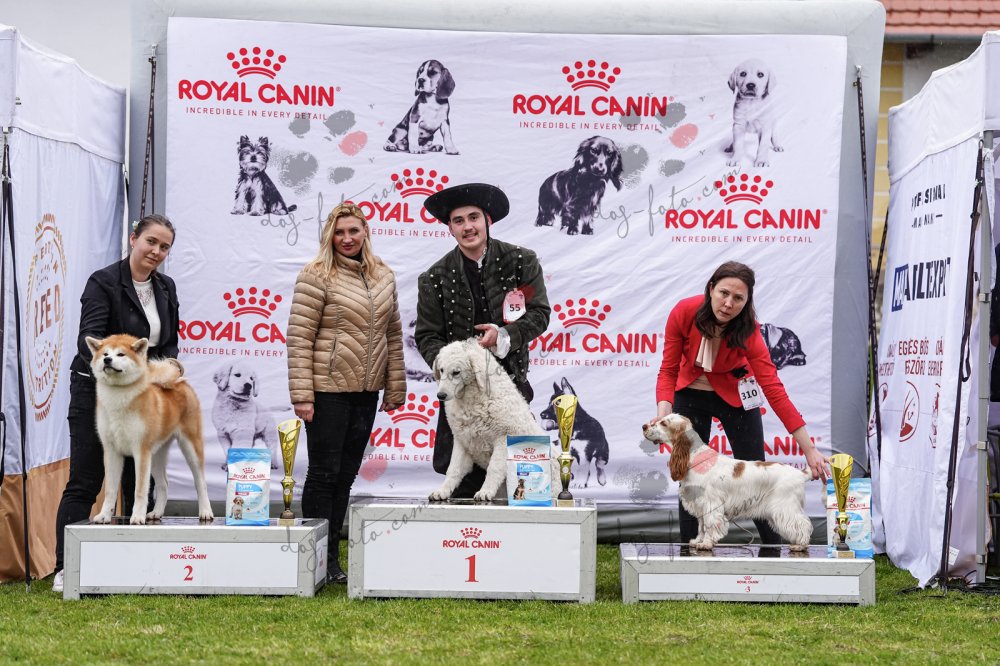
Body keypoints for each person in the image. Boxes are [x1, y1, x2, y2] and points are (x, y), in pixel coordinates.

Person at [652, 261, 828, 546]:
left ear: (747, 302)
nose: (728, 303)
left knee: (758, 477)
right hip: (690, 392)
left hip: (736, 395)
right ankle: (689, 552)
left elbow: (775, 391)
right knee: (690, 476)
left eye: (738, 298)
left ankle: (773, 550)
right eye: (723, 293)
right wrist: (663, 416)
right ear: (711, 288)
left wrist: (809, 449)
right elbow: (668, 369)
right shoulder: (683, 312)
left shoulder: (750, 332)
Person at [52, 214, 180, 592]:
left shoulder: (166, 287)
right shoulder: (103, 282)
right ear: (133, 238)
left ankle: (139, 566)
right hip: (97, 393)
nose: (156, 251)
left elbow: (168, 343)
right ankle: (66, 567)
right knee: (86, 480)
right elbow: (89, 340)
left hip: (144, 398)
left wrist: (170, 368)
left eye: (165, 247)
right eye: (151, 242)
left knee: (141, 478)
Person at [286, 202, 405, 584]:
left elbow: (393, 335)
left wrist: (395, 385)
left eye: (354, 230)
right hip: (326, 390)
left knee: (346, 476)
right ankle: (314, 559)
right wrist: (303, 395)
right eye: (339, 232)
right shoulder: (315, 275)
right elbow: (299, 338)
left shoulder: (384, 275)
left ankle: (332, 561)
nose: (347, 238)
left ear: (365, 232)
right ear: (329, 236)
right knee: (323, 475)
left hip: (366, 392)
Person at [416, 183, 550, 497]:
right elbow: (427, 336)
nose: (467, 227)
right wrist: (454, 363)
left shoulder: (521, 261)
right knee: (464, 490)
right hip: (460, 398)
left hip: (511, 391)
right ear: (450, 228)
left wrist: (503, 336)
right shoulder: (434, 277)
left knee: (527, 490)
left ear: (487, 220)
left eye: (473, 217)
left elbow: (539, 313)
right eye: (458, 221)